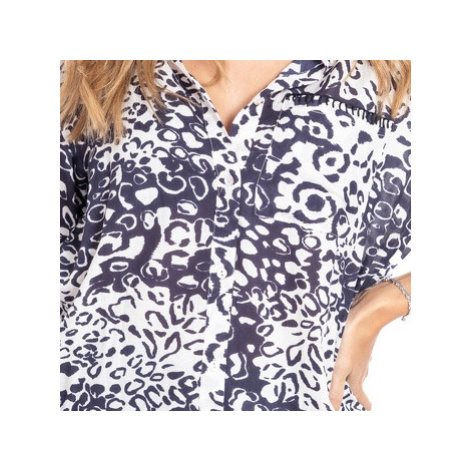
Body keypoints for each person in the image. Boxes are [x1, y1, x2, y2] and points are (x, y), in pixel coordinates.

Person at [60, 60, 411, 411]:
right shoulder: (98, 68)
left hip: (294, 402)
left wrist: (386, 304)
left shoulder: (378, 89)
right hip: (99, 397)